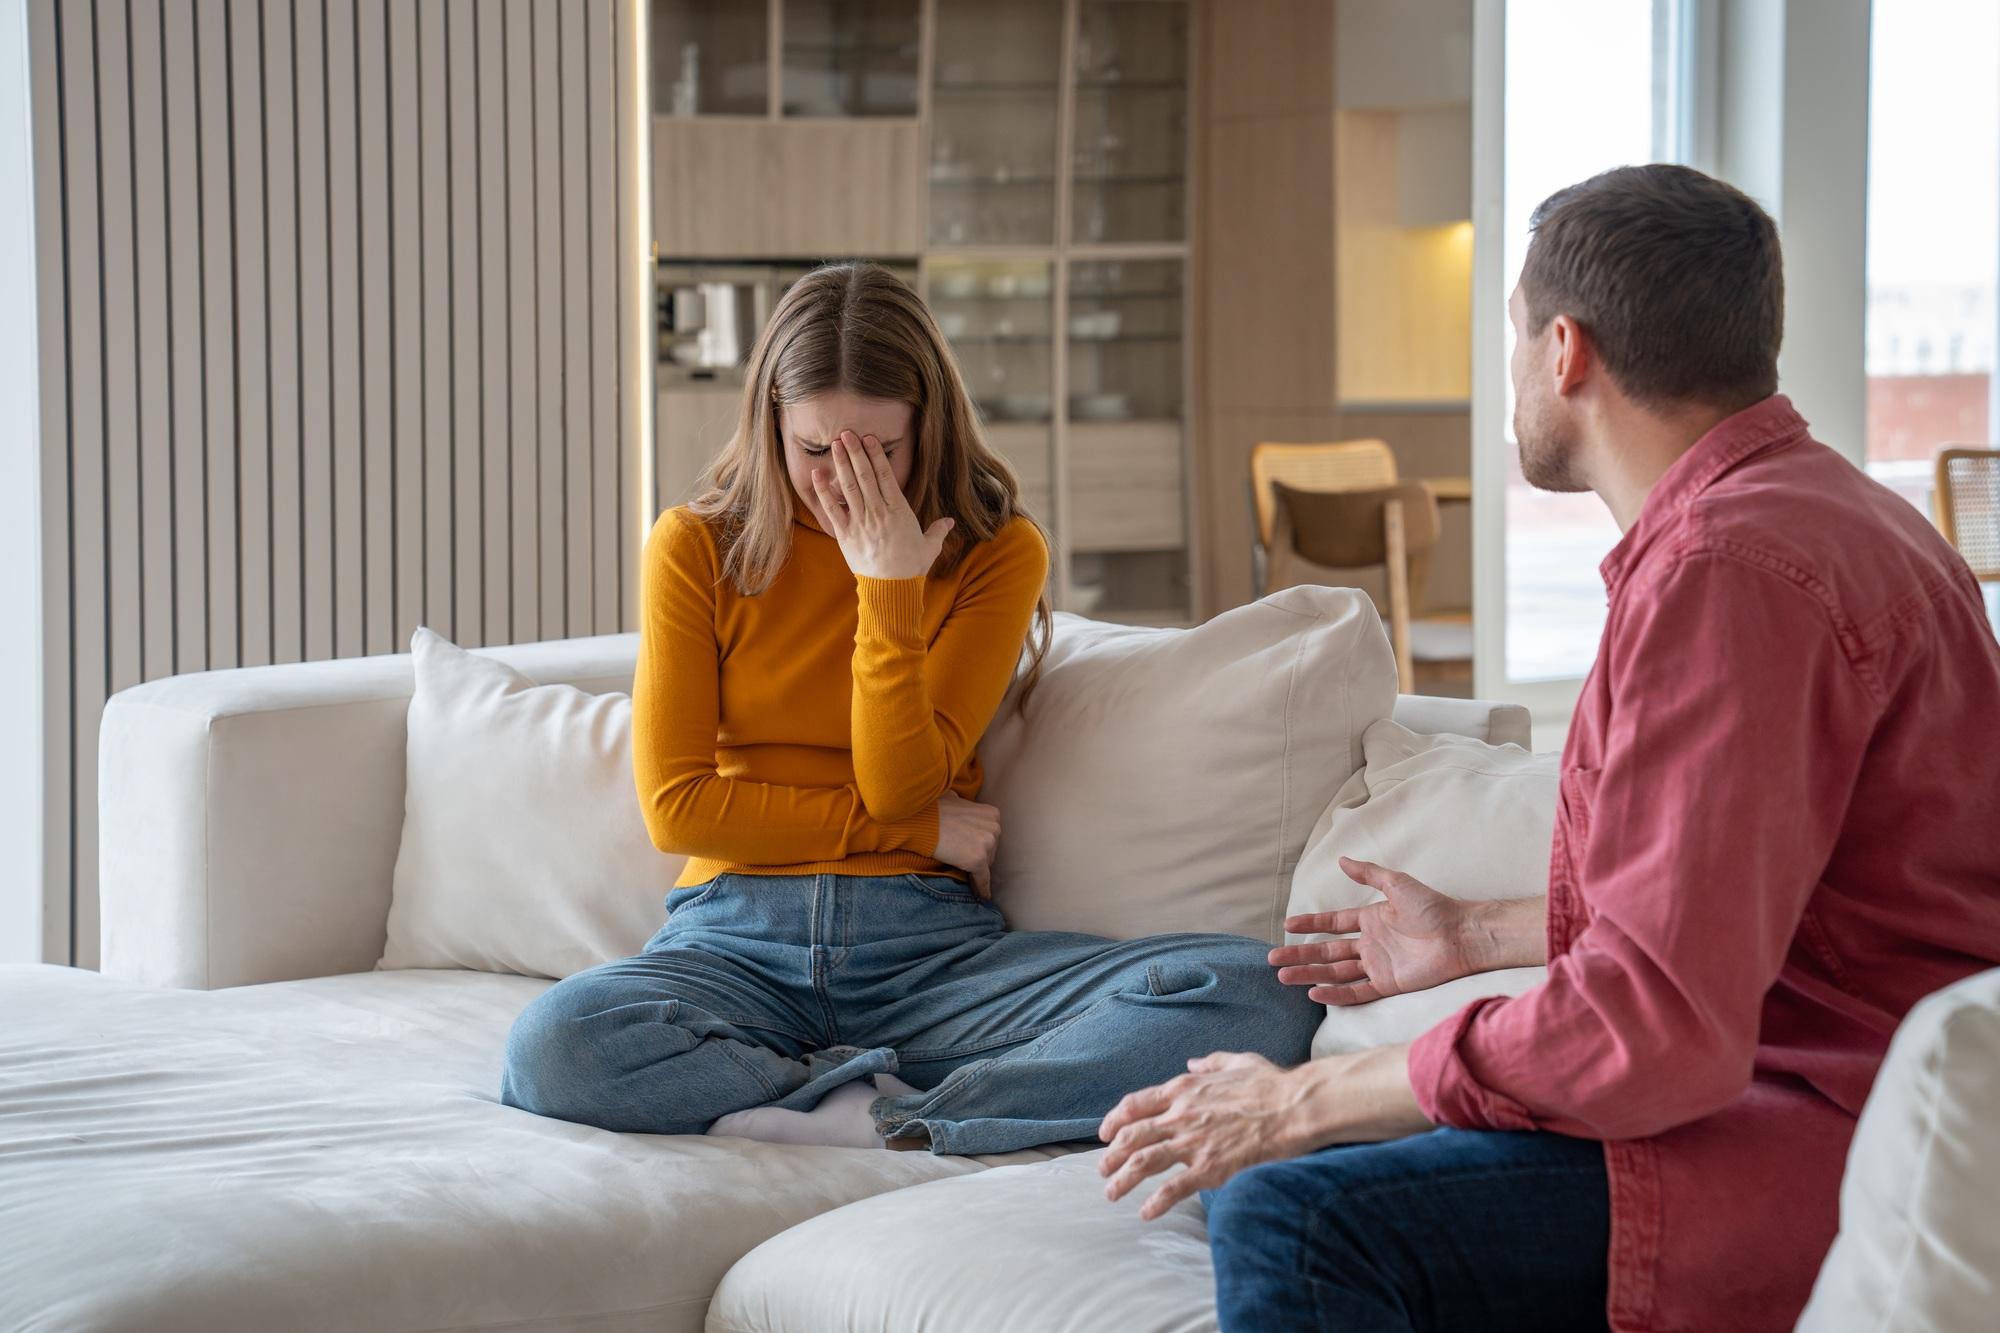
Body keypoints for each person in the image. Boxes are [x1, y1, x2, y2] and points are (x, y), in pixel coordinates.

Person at [1095, 163, 2000, 1331]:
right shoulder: (1843, 513)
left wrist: (1304, 1098)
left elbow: (1652, 1029)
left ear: (1564, 351)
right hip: (1828, 1090)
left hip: (1813, 1132)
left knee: (1292, 1209)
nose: (1511, 374)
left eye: (1512, 338)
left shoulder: (1725, 576)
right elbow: (1761, 898)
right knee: (1269, 1185)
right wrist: (1472, 933)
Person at [498, 262, 1320, 1155]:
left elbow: (900, 783)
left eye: (878, 450)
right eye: (815, 450)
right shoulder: (697, 545)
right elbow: (680, 808)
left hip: (927, 950)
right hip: (736, 937)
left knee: (1257, 989)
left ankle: (892, 1115)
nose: (843, 480)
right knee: (556, 1047)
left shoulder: (996, 551)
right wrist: (925, 831)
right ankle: (857, 1096)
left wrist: (887, 584)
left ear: (927, 428)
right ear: (769, 424)